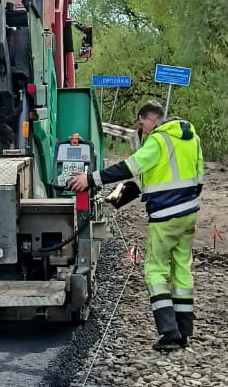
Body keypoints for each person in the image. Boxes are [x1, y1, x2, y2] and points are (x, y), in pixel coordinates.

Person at [71, 99, 204, 352]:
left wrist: (90, 179)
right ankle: (184, 330)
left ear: (152, 119)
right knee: (182, 269)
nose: (141, 128)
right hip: (189, 213)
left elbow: (128, 168)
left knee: (155, 271)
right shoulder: (192, 138)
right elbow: (199, 179)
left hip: (165, 215)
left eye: (142, 122)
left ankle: (169, 332)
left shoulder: (158, 140)